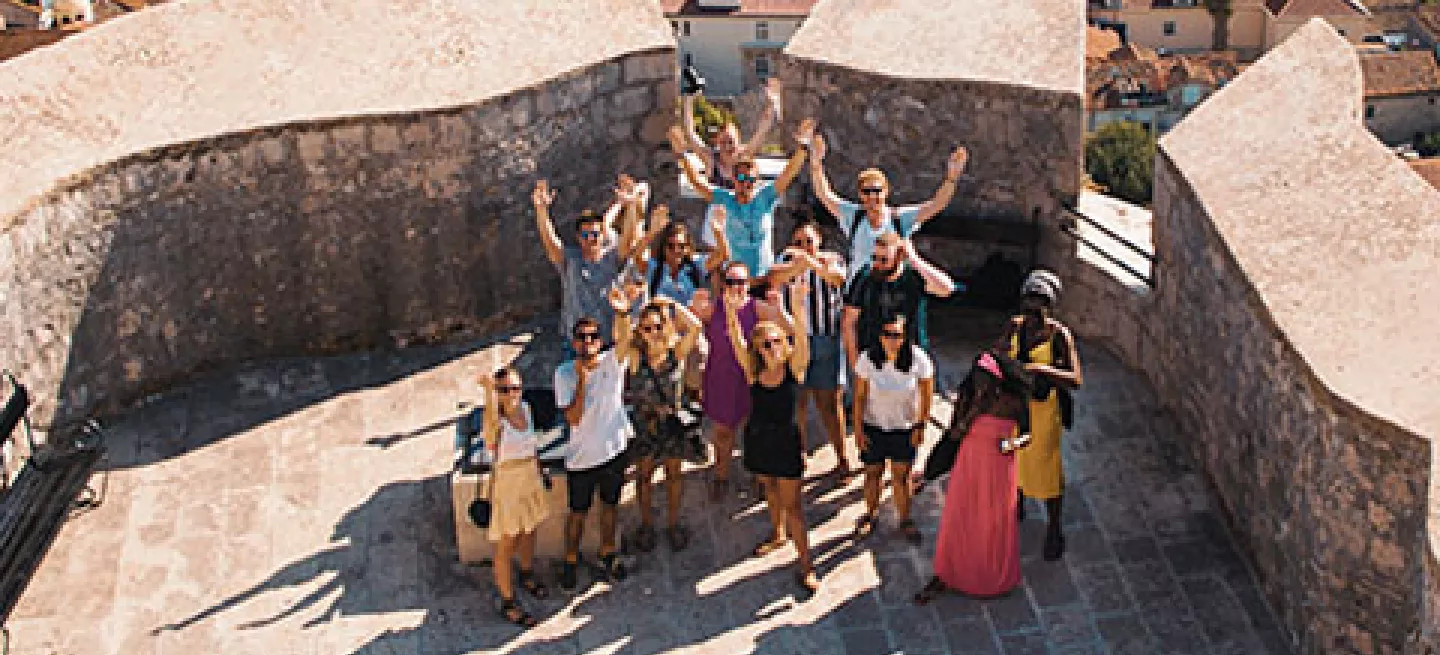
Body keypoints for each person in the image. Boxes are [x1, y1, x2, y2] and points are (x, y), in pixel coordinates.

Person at [913, 350, 1034, 603]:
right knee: (960, 518)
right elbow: (953, 436)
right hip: (969, 464)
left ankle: (989, 576)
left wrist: (1011, 445)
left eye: (985, 381)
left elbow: (1028, 434)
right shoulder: (968, 398)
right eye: (977, 379)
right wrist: (967, 418)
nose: (980, 386)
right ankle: (948, 574)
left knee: (992, 522)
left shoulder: (1013, 401)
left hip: (999, 468)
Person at [726, 279, 819, 594]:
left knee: (794, 506)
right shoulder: (753, 371)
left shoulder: (796, 368)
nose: (773, 348)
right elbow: (737, 341)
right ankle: (777, 534)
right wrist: (730, 308)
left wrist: (796, 307)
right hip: (759, 440)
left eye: (777, 341)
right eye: (766, 344)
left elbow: (803, 339)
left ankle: (806, 563)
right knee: (768, 487)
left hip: (786, 443)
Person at [669, 119, 816, 284]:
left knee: (795, 268)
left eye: (750, 178)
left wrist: (803, 146)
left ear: (756, 179)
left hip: (763, 280)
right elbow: (697, 183)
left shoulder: (765, 197)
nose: (745, 183)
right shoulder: (726, 199)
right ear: (733, 179)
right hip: (736, 282)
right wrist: (681, 156)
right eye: (740, 177)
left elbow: (789, 173)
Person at [808, 133, 968, 284]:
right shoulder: (854, 216)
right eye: (867, 191)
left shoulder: (898, 219)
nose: (872, 196)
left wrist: (951, 178)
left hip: (890, 292)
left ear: (886, 192)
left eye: (877, 191)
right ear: (860, 195)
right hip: (858, 293)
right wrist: (816, 165)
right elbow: (825, 195)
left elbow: (935, 205)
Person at [1000, 270, 1083, 561]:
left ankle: (1054, 527)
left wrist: (1040, 370)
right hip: (1017, 408)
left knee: (1045, 467)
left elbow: (1075, 378)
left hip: (1044, 411)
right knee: (1016, 458)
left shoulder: (1058, 335)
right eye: (1029, 307)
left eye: (1040, 307)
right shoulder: (1014, 327)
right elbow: (997, 356)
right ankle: (1018, 501)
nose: (1033, 315)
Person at [614, 289, 705, 553]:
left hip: (671, 424)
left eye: (657, 326)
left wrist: (673, 304)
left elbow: (695, 326)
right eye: (646, 328)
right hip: (645, 424)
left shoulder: (676, 353)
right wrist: (623, 312)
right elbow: (621, 339)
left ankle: (673, 524)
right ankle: (647, 525)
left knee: (673, 476)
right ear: (639, 331)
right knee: (644, 478)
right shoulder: (635, 358)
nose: (652, 332)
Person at [554, 309, 637, 591]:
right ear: (574, 342)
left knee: (610, 506)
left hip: (613, 450)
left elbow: (625, 338)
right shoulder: (564, 374)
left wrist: (623, 311)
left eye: (593, 337)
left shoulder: (612, 363)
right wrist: (581, 380)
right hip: (582, 458)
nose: (588, 342)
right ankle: (570, 558)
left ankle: (608, 551)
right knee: (577, 512)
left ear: (600, 341)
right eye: (582, 337)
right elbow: (574, 418)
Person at [766, 220, 852, 476]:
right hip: (795, 342)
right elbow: (775, 278)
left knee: (830, 403)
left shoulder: (832, 259)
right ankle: (799, 452)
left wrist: (808, 261)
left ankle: (841, 457)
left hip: (826, 340)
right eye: (799, 242)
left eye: (809, 241)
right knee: (798, 403)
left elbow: (836, 278)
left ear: (819, 242)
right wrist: (798, 263)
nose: (804, 247)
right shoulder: (786, 260)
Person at [691, 259, 780, 500]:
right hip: (721, 378)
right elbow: (689, 322)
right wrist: (693, 307)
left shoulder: (757, 308)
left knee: (754, 431)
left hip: (750, 379)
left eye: (741, 281)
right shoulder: (715, 308)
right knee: (723, 433)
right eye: (730, 281)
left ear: (748, 284)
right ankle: (721, 475)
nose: (736, 287)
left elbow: (784, 325)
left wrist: (781, 305)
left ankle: (758, 474)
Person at [476, 367, 551, 627]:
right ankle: (508, 600)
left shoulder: (527, 410)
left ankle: (527, 573)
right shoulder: (496, 422)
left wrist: (541, 472)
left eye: (515, 388)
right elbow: (490, 424)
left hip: (529, 478)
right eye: (504, 390)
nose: (511, 394)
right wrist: (488, 393)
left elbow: (532, 446)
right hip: (508, 486)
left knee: (529, 530)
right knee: (506, 545)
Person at [533, 175, 646, 345]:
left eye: (595, 234)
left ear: (603, 235)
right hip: (576, 343)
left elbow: (628, 238)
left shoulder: (613, 257)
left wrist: (630, 205)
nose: (591, 239)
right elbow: (550, 242)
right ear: (578, 237)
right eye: (586, 235)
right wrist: (541, 211)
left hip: (609, 340)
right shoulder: (571, 260)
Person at [851, 314, 935, 542]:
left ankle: (905, 518)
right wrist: (858, 430)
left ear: (905, 336)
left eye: (896, 335)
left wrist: (921, 425)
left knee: (902, 477)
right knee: (872, 475)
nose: (891, 340)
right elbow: (859, 397)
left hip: (904, 427)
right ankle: (870, 514)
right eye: (886, 334)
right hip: (874, 426)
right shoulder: (867, 359)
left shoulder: (919, 359)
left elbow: (927, 395)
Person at [841, 232, 959, 372]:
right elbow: (849, 321)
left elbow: (947, 288)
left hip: (911, 357)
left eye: (884, 259)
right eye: (875, 258)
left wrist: (914, 259)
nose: (877, 264)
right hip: (873, 357)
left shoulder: (913, 276)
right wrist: (856, 366)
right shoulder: (866, 277)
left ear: (899, 257)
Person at [679, 77, 783, 190]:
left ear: (738, 142)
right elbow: (690, 133)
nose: (728, 146)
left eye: (731, 142)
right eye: (724, 142)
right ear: (718, 142)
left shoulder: (744, 155)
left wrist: (773, 101)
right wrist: (689, 100)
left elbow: (763, 128)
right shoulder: (711, 160)